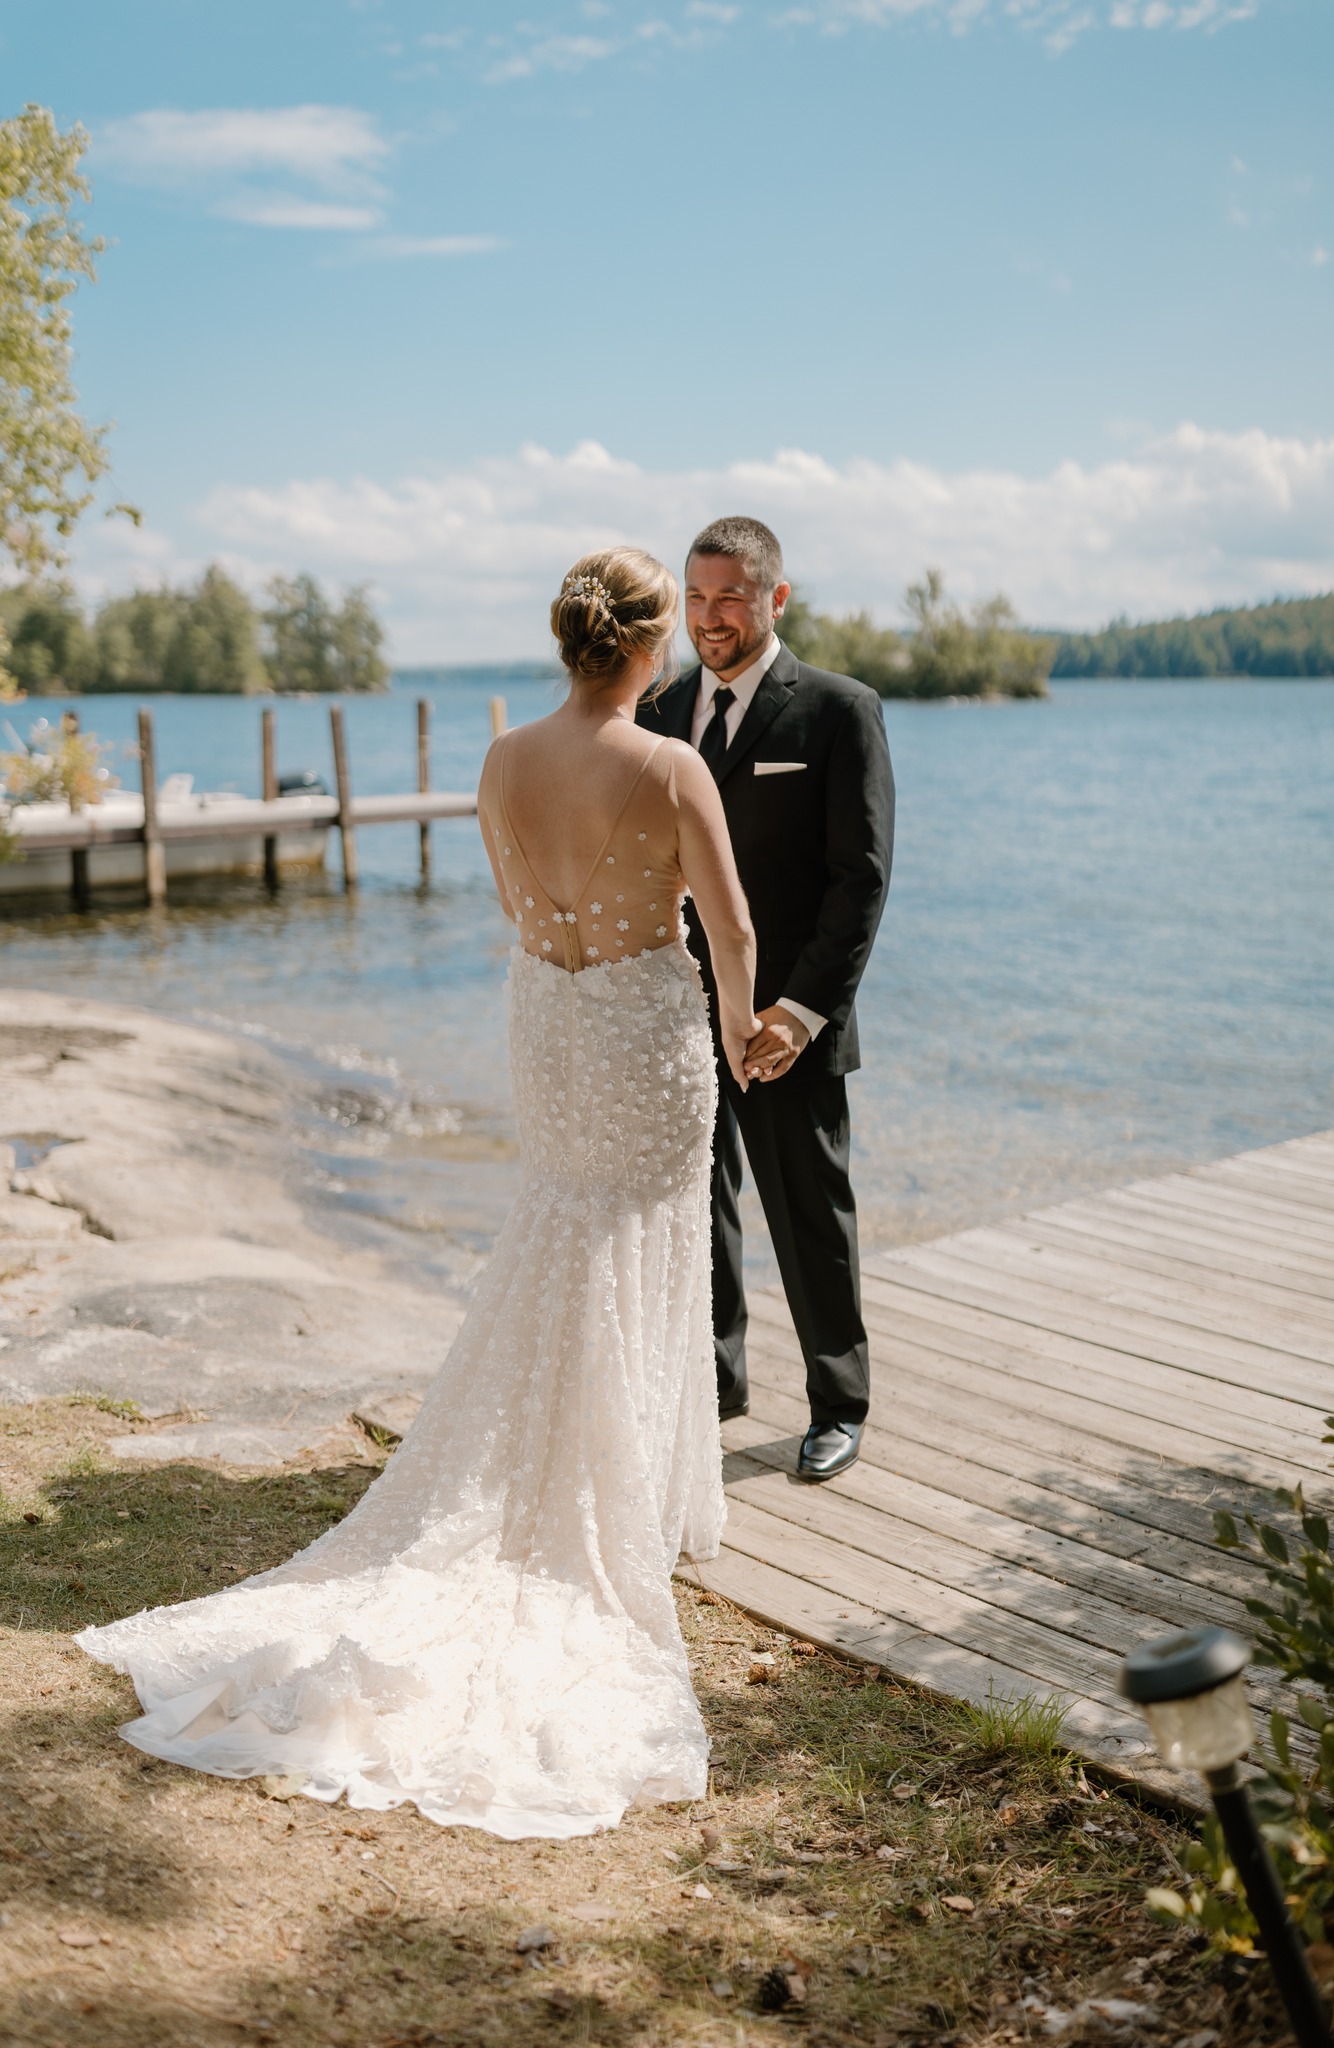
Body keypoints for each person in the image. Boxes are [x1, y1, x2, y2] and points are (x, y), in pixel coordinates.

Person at [77, 548, 762, 1841]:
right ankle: (625, 1506)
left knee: (561, 1230)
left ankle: (589, 1479)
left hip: (551, 1027)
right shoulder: (673, 766)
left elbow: (516, 904)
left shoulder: (502, 761)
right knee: (636, 1243)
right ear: (647, 646)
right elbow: (726, 930)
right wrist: (742, 1034)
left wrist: (573, 968)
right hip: (646, 1038)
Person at [638, 517, 895, 1482]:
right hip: (677, 1011)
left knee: (809, 1214)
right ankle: (716, 1383)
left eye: (730, 597)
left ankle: (838, 1400)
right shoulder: (659, 709)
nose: (710, 617)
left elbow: (859, 880)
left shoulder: (838, 711)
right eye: (696, 599)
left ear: (774, 598)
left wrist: (797, 1012)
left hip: (789, 1022)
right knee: (697, 1208)